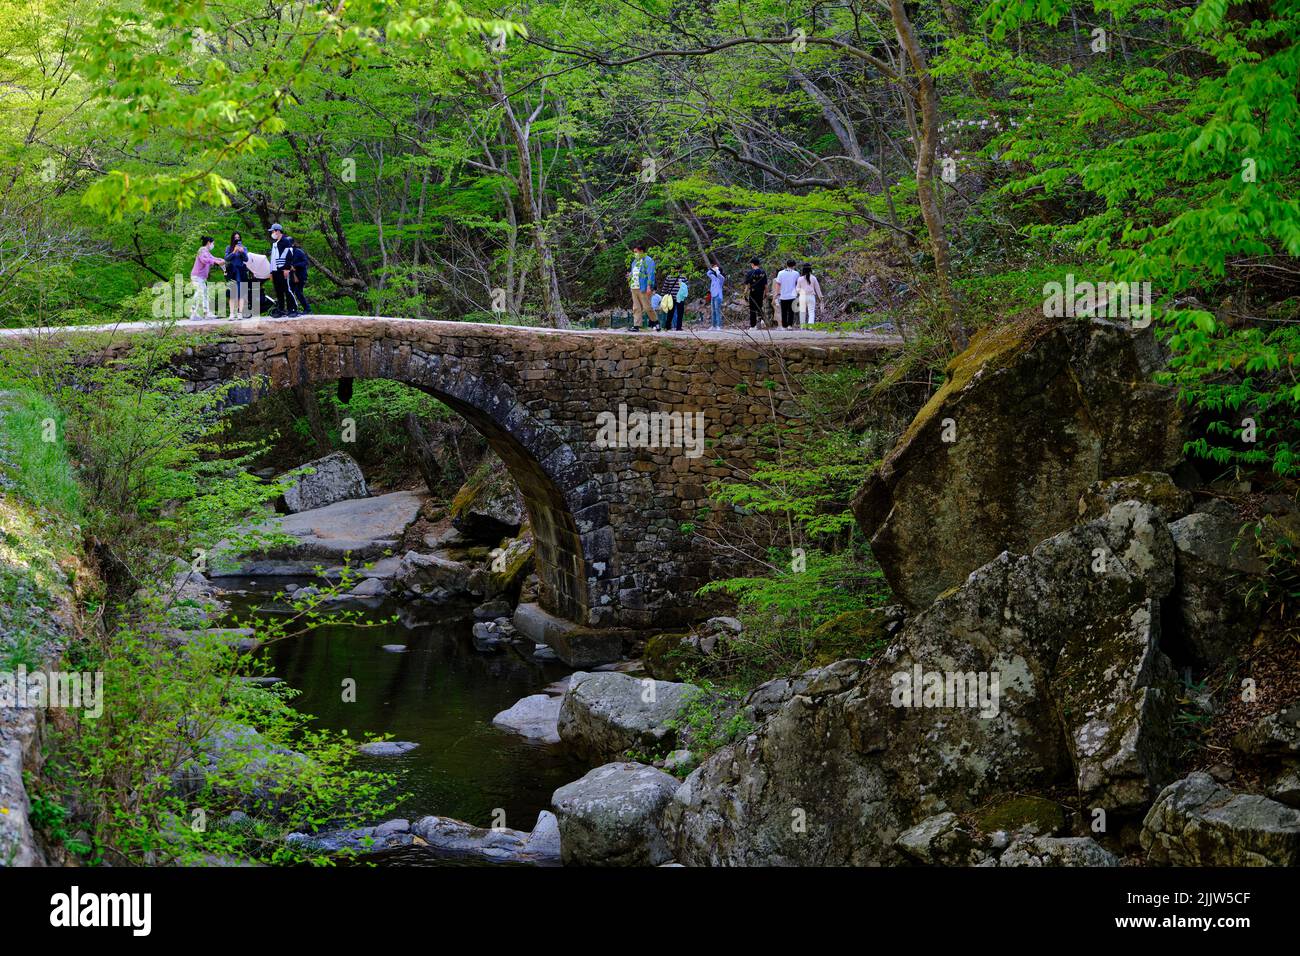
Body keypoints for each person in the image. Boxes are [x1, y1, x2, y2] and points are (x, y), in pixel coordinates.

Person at [190, 236, 224, 320]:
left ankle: (206, 313)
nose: (213, 245)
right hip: (197, 277)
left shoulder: (206, 252)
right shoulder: (202, 250)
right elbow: (204, 260)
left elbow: (212, 258)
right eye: (213, 243)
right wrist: (216, 262)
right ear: (209, 243)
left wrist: (220, 260)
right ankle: (193, 313)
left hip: (200, 277)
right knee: (200, 293)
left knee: (204, 294)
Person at [626, 244, 655, 331]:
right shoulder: (634, 262)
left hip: (643, 287)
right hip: (634, 287)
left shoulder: (648, 260)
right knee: (636, 308)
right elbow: (633, 273)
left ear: (641, 251)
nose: (635, 254)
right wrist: (629, 275)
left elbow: (650, 274)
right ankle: (636, 326)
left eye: (636, 252)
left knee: (647, 307)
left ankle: (655, 323)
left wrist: (649, 286)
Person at [268, 223, 294, 317]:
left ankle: (293, 309)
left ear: (278, 231)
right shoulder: (275, 243)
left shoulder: (285, 241)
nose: (272, 233)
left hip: (283, 270)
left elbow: (290, 255)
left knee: (287, 290)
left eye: (273, 231)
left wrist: (287, 268)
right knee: (278, 290)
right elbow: (273, 258)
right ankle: (281, 309)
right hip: (275, 271)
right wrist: (271, 271)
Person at [224, 231, 249, 319]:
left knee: (241, 293)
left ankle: (240, 313)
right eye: (235, 238)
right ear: (232, 239)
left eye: (238, 238)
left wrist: (242, 252)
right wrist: (234, 251)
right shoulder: (229, 248)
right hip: (232, 272)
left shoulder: (244, 248)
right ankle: (231, 313)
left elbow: (246, 259)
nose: (237, 239)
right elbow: (226, 259)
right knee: (232, 293)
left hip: (241, 271)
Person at [773, 259, 800, 329]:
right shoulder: (796, 273)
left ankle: (784, 326)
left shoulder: (780, 273)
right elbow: (798, 284)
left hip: (783, 295)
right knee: (791, 311)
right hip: (792, 295)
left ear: (786, 265)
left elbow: (778, 284)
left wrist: (777, 294)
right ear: (794, 266)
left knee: (784, 311)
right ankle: (790, 325)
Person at [796, 263, 824, 327]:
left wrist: (801, 292)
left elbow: (797, 289)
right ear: (810, 269)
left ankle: (802, 327)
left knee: (802, 312)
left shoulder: (800, 278)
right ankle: (810, 326)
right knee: (811, 312)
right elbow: (817, 289)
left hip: (802, 297)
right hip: (811, 297)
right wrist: (821, 298)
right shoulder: (813, 278)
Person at [287, 238, 311, 315]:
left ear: (292, 244)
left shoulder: (299, 252)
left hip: (301, 275)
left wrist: (295, 266)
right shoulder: (286, 253)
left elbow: (306, 262)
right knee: (290, 292)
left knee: (298, 292)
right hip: (292, 276)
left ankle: (308, 309)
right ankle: (292, 309)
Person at [742, 258, 768, 329]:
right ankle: (761, 321)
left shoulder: (750, 273)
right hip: (761, 293)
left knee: (752, 309)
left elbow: (747, 285)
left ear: (752, 264)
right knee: (759, 307)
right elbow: (765, 285)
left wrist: (744, 294)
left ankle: (753, 326)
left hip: (753, 292)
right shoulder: (763, 272)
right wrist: (766, 293)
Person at [707, 259, 725, 330]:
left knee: (717, 310)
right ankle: (713, 325)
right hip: (713, 296)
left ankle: (718, 325)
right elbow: (708, 273)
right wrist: (712, 269)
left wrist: (717, 271)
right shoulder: (713, 278)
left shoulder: (721, 279)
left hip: (718, 296)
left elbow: (721, 276)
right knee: (713, 310)